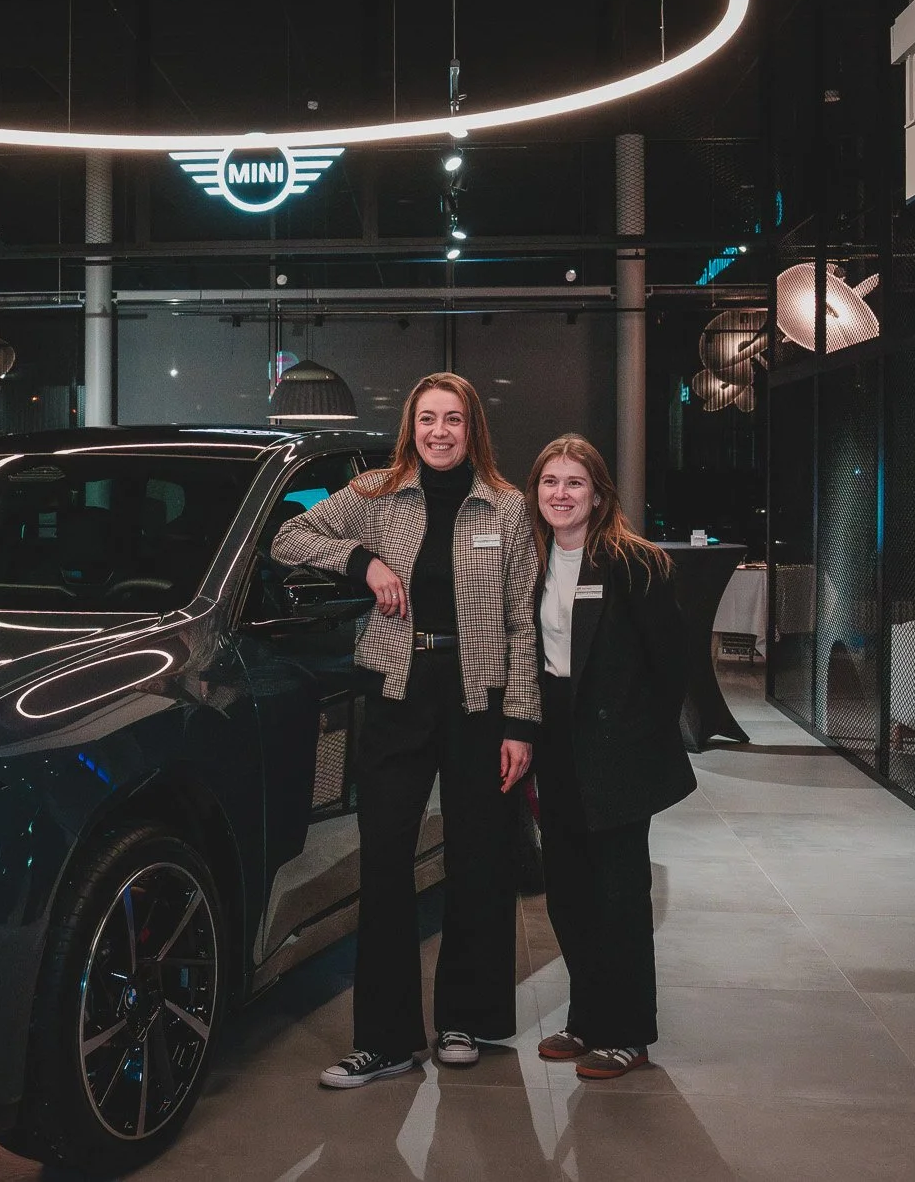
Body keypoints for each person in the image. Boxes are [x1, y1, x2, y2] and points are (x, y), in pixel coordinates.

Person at [271, 371, 541, 1088]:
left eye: (453, 419)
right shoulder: (378, 495)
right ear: (411, 427)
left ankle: (464, 1018)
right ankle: (385, 1041)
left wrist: (521, 722)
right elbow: (289, 536)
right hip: (397, 691)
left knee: (479, 862)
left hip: (479, 699)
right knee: (385, 863)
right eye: (428, 419)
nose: (440, 432)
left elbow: (523, 622)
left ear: (471, 426)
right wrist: (363, 561)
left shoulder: (507, 508)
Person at [526, 433, 693, 1080]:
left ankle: (628, 1032)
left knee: (620, 895)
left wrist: (632, 734)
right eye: (550, 482)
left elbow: (671, 667)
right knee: (567, 895)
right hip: (556, 747)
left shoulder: (636, 564)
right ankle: (587, 1017)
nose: (561, 494)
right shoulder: (535, 562)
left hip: (617, 751)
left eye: (574, 482)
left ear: (598, 493)